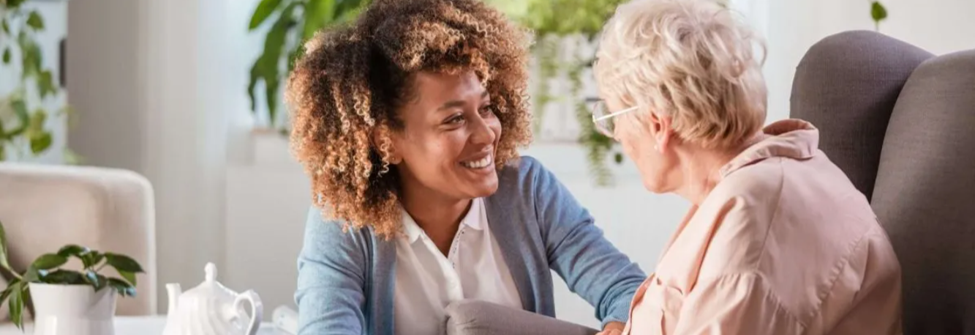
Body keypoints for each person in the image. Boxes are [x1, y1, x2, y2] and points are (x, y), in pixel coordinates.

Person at [286, 0, 646, 334]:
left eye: (486, 108)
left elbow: (630, 292)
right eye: (454, 119)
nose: (486, 133)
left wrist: (620, 326)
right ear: (386, 141)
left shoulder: (528, 191)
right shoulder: (344, 222)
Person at [590, 0, 902, 334]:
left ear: (657, 125)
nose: (616, 135)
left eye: (612, 118)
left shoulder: (755, 224)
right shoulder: (757, 184)